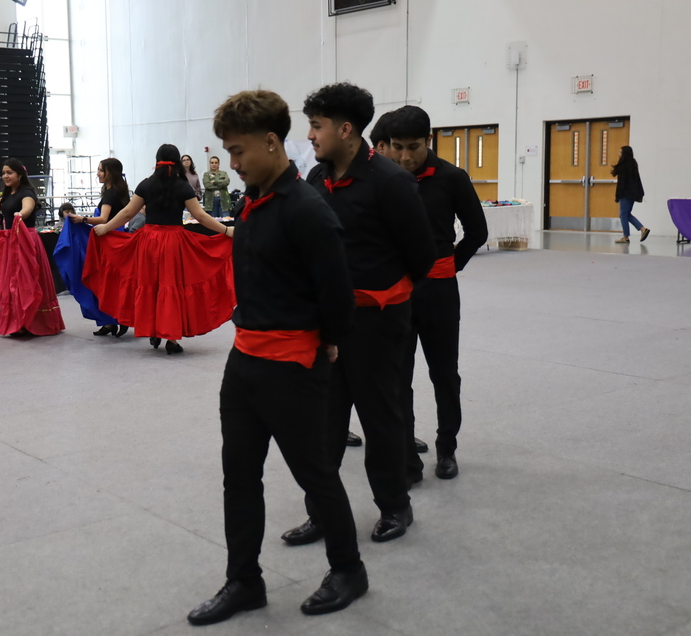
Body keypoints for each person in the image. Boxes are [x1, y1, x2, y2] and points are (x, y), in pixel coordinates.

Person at [187, 90, 366, 626]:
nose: (233, 164)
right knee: (238, 476)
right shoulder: (254, 202)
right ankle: (244, 580)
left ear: (271, 142)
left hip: (292, 366)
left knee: (316, 474)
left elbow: (339, 292)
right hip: (243, 365)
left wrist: (325, 342)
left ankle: (348, 569)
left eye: (239, 152)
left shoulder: (307, 210)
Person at [281, 83, 435, 547]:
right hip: (326, 325)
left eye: (316, 125)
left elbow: (421, 257)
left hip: (377, 323)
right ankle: (324, 512)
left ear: (345, 129)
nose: (309, 136)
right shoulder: (315, 182)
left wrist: (383, 298)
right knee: (324, 423)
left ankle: (394, 506)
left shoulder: (390, 182)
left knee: (380, 417)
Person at [386, 106, 489, 481]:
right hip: (396, 293)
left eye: (413, 147)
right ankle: (405, 445)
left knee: (444, 373)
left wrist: (450, 265)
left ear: (428, 141)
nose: (405, 156)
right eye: (397, 147)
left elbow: (477, 231)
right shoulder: (388, 179)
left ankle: (447, 447)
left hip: (439, 291)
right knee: (399, 375)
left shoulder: (452, 178)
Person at [84, 143, 234, 355]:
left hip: (148, 242)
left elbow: (128, 212)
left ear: (157, 161)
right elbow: (200, 216)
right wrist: (226, 231)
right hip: (175, 242)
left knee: (151, 285)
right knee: (171, 286)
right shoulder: (183, 187)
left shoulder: (146, 184)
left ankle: (153, 328)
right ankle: (171, 339)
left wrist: (106, 228)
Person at [0, 158, 65, 337]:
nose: (5, 176)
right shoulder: (10, 193)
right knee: (14, 281)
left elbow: (28, 206)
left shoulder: (27, 192)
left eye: (9, 173)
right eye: (3, 173)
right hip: (13, 240)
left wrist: (21, 214)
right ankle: (20, 321)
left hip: (26, 240)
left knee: (27, 280)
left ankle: (32, 321)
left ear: (20, 174)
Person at [58, 158, 131, 336]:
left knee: (105, 283)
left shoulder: (110, 194)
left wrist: (82, 220)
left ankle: (114, 319)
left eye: (101, 170)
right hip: (116, 239)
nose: (97, 173)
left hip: (109, 241)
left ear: (109, 173)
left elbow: (103, 219)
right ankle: (111, 320)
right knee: (111, 283)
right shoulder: (117, 192)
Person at [612, 146, 650, 243]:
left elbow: (622, 183)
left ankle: (626, 237)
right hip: (633, 193)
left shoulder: (623, 165)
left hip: (625, 194)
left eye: (620, 152)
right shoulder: (633, 163)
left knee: (623, 215)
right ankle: (642, 229)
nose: (619, 153)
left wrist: (617, 196)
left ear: (624, 154)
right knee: (626, 214)